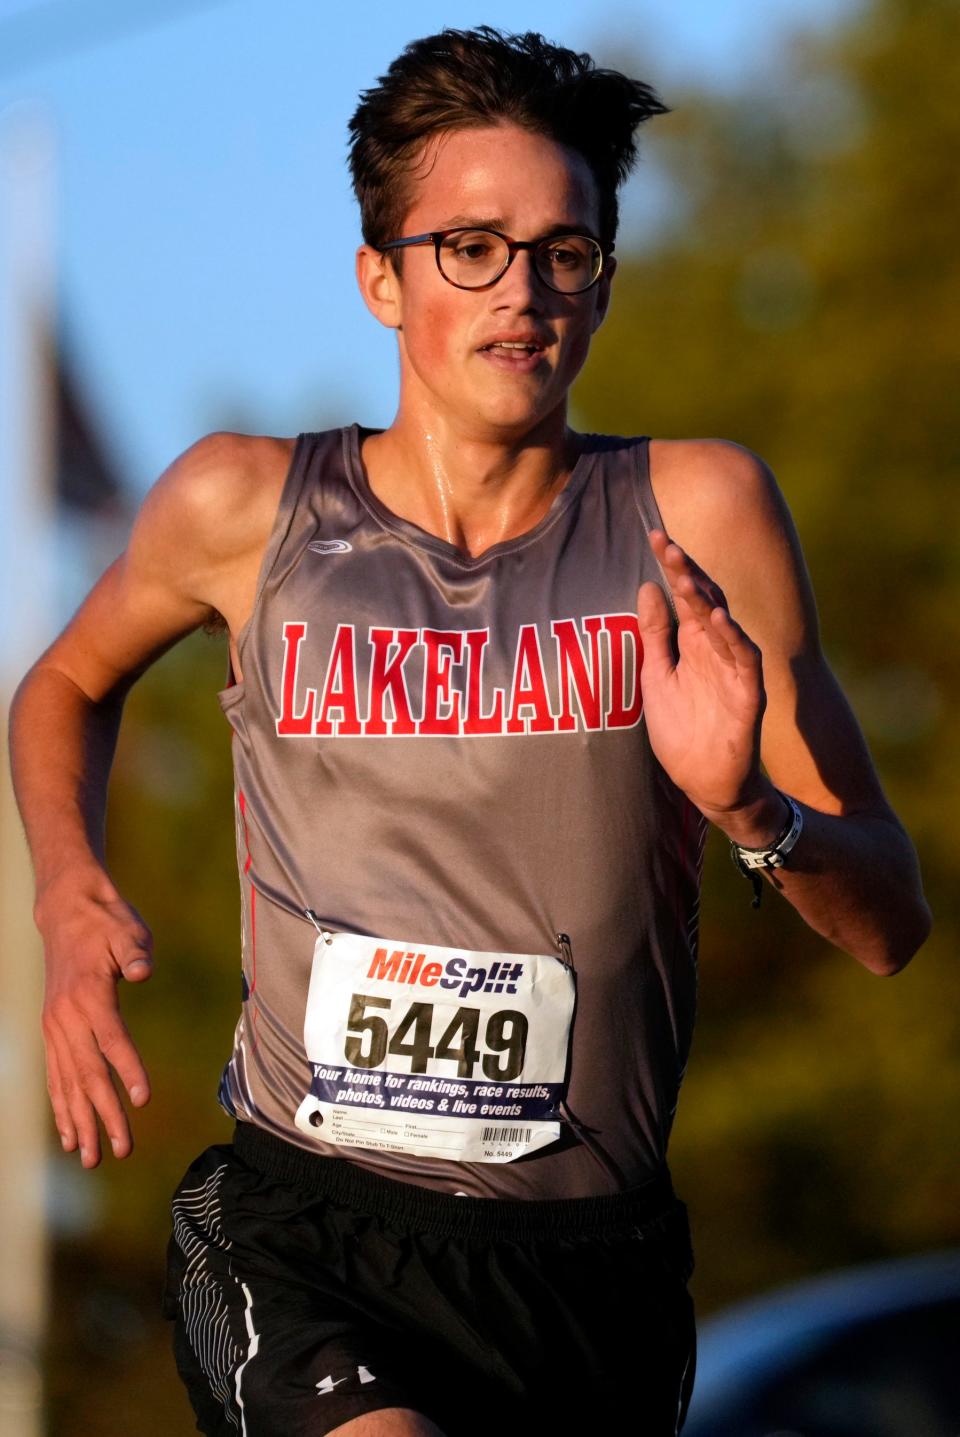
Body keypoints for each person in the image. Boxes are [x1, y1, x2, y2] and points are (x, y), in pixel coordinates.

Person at [8, 23, 931, 1437]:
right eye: (473, 248)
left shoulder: (698, 517)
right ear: (382, 277)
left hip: (589, 1274)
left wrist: (753, 811)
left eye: (566, 252)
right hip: (308, 1229)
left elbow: (889, 923)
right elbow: (63, 685)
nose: (525, 292)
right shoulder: (245, 509)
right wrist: (71, 899)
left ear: (603, 284)